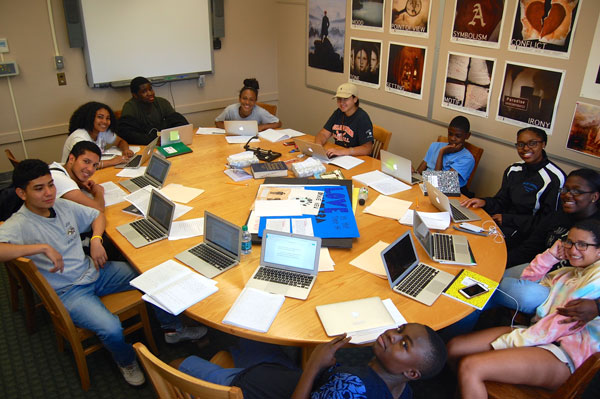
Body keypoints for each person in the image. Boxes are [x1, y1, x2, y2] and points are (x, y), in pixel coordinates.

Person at [0, 160, 207, 386]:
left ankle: (172, 329)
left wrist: (97, 239)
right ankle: (127, 361)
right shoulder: (20, 223)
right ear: (21, 193)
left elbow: (97, 215)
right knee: (112, 329)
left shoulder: (61, 205)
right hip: (69, 292)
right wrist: (40, 247)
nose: (49, 193)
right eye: (39, 189)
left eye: (51, 185)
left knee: (149, 275)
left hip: (94, 272)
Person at [447, 219, 600, 398]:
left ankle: (473, 380)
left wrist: (509, 342)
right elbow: (525, 282)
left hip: (565, 354)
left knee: (470, 366)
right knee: (454, 348)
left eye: (582, 245)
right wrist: (551, 256)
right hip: (539, 333)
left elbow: (561, 324)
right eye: (570, 242)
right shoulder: (567, 273)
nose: (573, 250)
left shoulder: (596, 277)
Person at [178, 323, 447, 399]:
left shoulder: (350, 386)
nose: (392, 335)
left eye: (404, 343)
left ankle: (175, 363)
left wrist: (315, 365)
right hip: (286, 377)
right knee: (251, 334)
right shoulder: (403, 391)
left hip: (249, 386)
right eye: (400, 330)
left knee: (183, 364)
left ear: (412, 372)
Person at [461, 127, 565, 248]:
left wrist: (507, 219)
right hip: (502, 225)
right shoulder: (513, 169)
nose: (525, 148)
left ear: (543, 144)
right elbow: (502, 201)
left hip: (528, 236)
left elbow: (547, 222)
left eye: (532, 143)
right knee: (465, 237)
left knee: (480, 249)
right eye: (521, 144)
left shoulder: (554, 178)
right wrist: (484, 202)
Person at [508, 168, 600, 268]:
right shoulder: (557, 216)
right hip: (538, 269)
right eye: (565, 190)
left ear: (594, 196)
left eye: (576, 191)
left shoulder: (596, 227)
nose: (568, 195)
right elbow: (529, 249)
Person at [117, 76, 189, 145]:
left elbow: (180, 123)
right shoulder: (130, 106)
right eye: (144, 92)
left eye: (150, 89)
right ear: (135, 95)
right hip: (145, 145)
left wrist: (167, 138)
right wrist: (155, 139)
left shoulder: (162, 102)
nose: (150, 93)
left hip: (165, 142)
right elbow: (128, 134)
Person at [61, 101, 133, 167]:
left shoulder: (102, 132)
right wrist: (113, 161)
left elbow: (120, 141)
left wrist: (126, 150)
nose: (105, 121)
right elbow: (86, 164)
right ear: (90, 118)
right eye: (100, 117)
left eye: (107, 118)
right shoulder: (79, 137)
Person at [315, 82, 374, 157]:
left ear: (355, 99)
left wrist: (344, 151)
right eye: (339, 99)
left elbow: (367, 149)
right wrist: (318, 146)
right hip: (340, 156)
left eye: (345, 99)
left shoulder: (362, 118)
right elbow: (323, 134)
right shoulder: (338, 112)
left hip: (357, 159)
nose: (341, 103)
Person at [416, 116, 474, 188]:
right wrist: (413, 175)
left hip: (445, 190)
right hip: (425, 184)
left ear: (467, 136)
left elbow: (439, 182)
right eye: (450, 134)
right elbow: (419, 172)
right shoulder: (435, 146)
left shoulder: (467, 158)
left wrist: (441, 152)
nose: (452, 138)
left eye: (458, 136)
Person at [51, 141, 105, 211]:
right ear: (71, 159)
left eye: (95, 165)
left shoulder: (61, 166)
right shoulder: (59, 178)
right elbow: (98, 208)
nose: (90, 169)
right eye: (86, 161)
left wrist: (79, 183)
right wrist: (99, 191)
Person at [214, 78, 282, 131]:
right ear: (239, 99)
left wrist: (261, 127)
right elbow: (217, 122)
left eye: (251, 100)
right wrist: (231, 128)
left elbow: (278, 123)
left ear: (255, 101)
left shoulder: (260, 112)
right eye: (244, 98)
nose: (247, 102)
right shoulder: (230, 109)